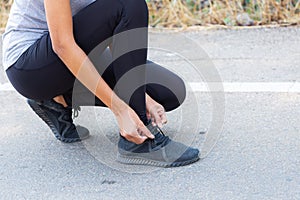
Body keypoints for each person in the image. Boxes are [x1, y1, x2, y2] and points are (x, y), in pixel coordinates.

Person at [2, 0, 200, 167]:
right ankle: (138, 142)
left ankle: (58, 100)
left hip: (75, 50)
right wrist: (120, 109)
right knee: (130, 2)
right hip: (31, 67)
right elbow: (62, 44)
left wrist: (140, 95)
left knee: (168, 90)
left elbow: (118, 28)